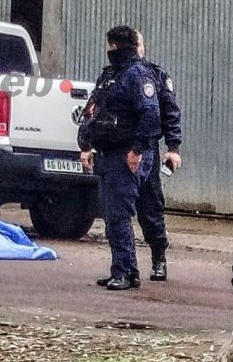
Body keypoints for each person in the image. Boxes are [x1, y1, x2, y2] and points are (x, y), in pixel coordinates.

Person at [78, 25, 161, 291]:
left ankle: (124, 272)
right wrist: (85, 145)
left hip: (125, 156)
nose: (108, 50)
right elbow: (92, 110)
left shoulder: (138, 74)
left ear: (117, 46)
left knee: (119, 215)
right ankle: (124, 270)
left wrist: (136, 150)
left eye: (111, 45)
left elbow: (150, 114)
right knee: (111, 215)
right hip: (107, 154)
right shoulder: (110, 75)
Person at [134, 31, 182, 281]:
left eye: (139, 44)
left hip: (147, 149)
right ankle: (123, 267)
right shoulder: (113, 75)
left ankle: (158, 259)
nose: (136, 48)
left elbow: (170, 113)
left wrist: (173, 148)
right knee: (116, 210)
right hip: (118, 150)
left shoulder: (156, 75)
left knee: (150, 207)